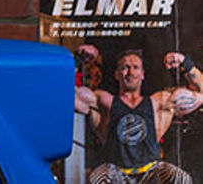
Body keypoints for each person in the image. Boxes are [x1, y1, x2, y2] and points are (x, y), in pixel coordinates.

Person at [74, 46, 203, 184]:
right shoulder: (104, 102)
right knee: (97, 178)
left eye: (135, 67)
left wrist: (186, 63)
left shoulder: (159, 103)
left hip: (151, 172)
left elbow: (201, 94)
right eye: (125, 67)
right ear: (117, 74)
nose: (130, 72)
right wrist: (77, 59)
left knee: (180, 178)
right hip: (115, 173)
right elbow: (65, 94)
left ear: (142, 74)